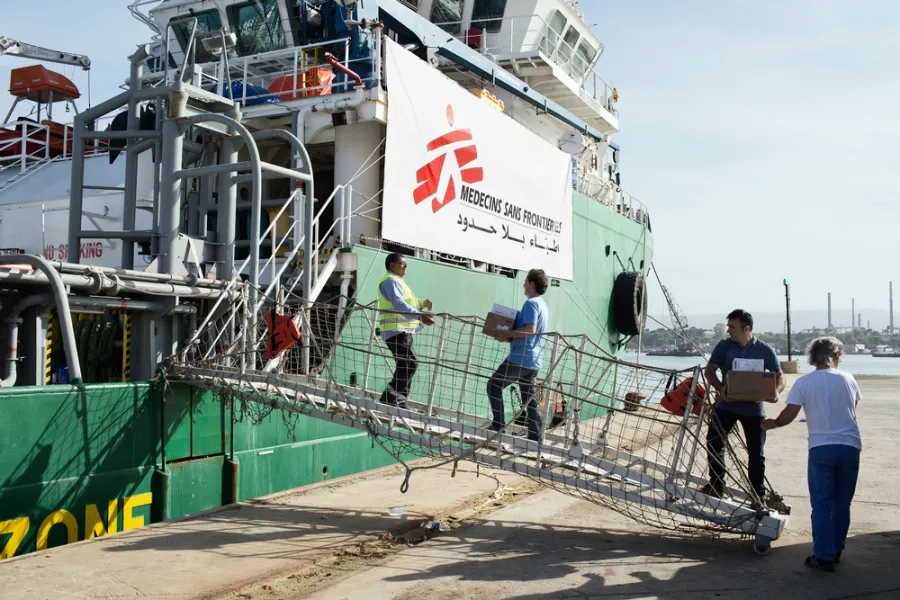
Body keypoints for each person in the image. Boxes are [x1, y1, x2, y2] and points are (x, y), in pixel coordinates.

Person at [762, 337, 861, 573]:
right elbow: (852, 407)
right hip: (850, 446)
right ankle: (836, 549)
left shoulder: (805, 382)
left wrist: (772, 423)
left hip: (821, 447)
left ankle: (824, 556)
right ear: (836, 355)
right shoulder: (849, 379)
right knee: (842, 503)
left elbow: (790, 413)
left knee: (821, 505)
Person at [701, 309, 785, 502]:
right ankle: (716, 484)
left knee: (757, 453)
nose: (728, 330)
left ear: (746, 329)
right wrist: (721, 388)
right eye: (728, 326)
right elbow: (709, 371)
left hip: (754, 409)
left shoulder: (764, 349)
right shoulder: (724, 346)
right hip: (726, 406)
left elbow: (779, 375)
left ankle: (758, 495)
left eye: (732, 327)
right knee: (714, 442)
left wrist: (776, 392)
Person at [487, 269, 550, 442]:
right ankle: (536, 434)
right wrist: (511, 336)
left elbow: (530, 330)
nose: (523, 285)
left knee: (493, 385)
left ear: (531, 284)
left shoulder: (530, 304)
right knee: (529, 398)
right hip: (535, 361)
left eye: (525, 282)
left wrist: (507, 334)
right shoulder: (543, 305)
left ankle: (499, 425)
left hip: (520, 359)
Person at [377, 253, 434, 408]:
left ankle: (397, 397)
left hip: (401, 331)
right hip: (396, 330)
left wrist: (422, 303)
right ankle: (392, 396)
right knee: (410, 363)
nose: (406, 266)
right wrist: (420, 316)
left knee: (407, 363)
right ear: (392, 265)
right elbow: (399, 304)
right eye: (403, 264)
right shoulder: (390, 281)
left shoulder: (397, 281)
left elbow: (410, 302)